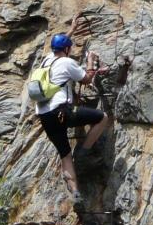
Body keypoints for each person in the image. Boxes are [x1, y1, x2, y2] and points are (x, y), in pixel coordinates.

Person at [35, 30, 110, 203]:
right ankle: (84, 153)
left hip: (45, 116)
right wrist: (90, 60)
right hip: (62, 112)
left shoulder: (46, 60)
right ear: (67, 49)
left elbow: (60, 44)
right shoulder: (67, 62)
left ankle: (75, 193)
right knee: (102, 118)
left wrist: (73, 27)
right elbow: (87, 80)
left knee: (65, 155)